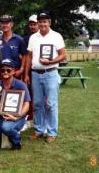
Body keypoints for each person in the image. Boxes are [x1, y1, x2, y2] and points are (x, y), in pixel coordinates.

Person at [24, 11, 66, 143]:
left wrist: (51, 61)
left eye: (45, 21)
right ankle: (39, 129)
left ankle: (52, 132)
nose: (42, 24)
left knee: (51, 104)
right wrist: (26, 74)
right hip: (35, 74)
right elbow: (29, 57)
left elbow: (62, 55)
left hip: (51, 73)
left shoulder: (56, 36)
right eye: (40, 21)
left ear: (49, 22)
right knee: (37, 103)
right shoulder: (33, 37)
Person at [0, 58, 30, 150]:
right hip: (1, 118)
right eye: (3, 70)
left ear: (13, 71)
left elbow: (27, 104)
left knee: (6, 128)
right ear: (0, 72)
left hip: (18, 118)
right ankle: (0, 138)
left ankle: (17, 142)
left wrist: (18, 116)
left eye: (8, 70)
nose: (5, 72)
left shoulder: (21, 85)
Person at [22, 14, 39, 131]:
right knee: (29, 96)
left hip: (40, 70)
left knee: (41, 97)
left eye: (35, 24)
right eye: (31, 24)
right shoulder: (25, 39)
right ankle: (28, 119)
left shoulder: (43, 37)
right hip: (29, 71)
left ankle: (39, 120)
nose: (33, 26)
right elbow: (24, 56)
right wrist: (25, 73)